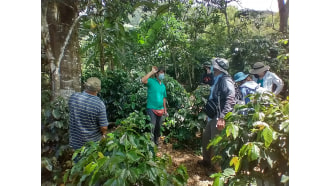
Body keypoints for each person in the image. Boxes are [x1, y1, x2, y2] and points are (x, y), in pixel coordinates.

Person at [198, 58, 236, 174]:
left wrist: (222, 117)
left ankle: (217, 170)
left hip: (219, 116)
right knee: (206, 139)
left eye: (214, 66)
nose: (212, 67)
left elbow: (230, 98)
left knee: (216, 143)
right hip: (212, 115)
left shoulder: (225, 80)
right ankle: (206, 161)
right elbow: (206, 80)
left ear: (219, 68)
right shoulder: (216, 78)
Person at [68, 77, 109, 150]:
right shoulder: (99, 104)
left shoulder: (73, 97)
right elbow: (104, 127)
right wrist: (104, 134)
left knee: (77, 160)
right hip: (91, 145)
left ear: (85, 86)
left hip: (75, 143)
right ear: (98, 89)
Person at [141, 66, 168, 146]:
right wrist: (151, 72)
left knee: (158, 128)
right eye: (160, 72)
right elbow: (143, 80)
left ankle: (156, 142)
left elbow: (164, 98)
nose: (162, 74)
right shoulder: (151, 81)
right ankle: (151, 145)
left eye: (163, 73)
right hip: (151, 109)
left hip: (161, 110)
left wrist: (165, 110)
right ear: (156, 74)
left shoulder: (163, 86)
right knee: (151, 128)